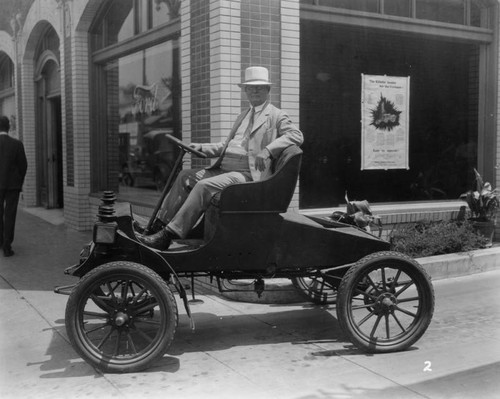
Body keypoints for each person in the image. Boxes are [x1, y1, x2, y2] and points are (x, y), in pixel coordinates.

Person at [137, 66, 303, 250]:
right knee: (185, 176)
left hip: (247, 174)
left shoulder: (277, 115)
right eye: (250, 87)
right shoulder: (243, 116)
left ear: (268, 90)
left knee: (203, 186)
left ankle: (169, 235)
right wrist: (200, 147)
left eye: (260, 87)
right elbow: (226, 146)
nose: (255, 90)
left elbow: (296, 136)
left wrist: (268, 151)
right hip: (224, 168)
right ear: (245, 91)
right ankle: (157, 227)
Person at [0, 115, 28, 257]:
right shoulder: (17, 144)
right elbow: (23, 165)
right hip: (13, 185)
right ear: (9, 127)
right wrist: (19, 180)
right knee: (10, 214)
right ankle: (7, 246)